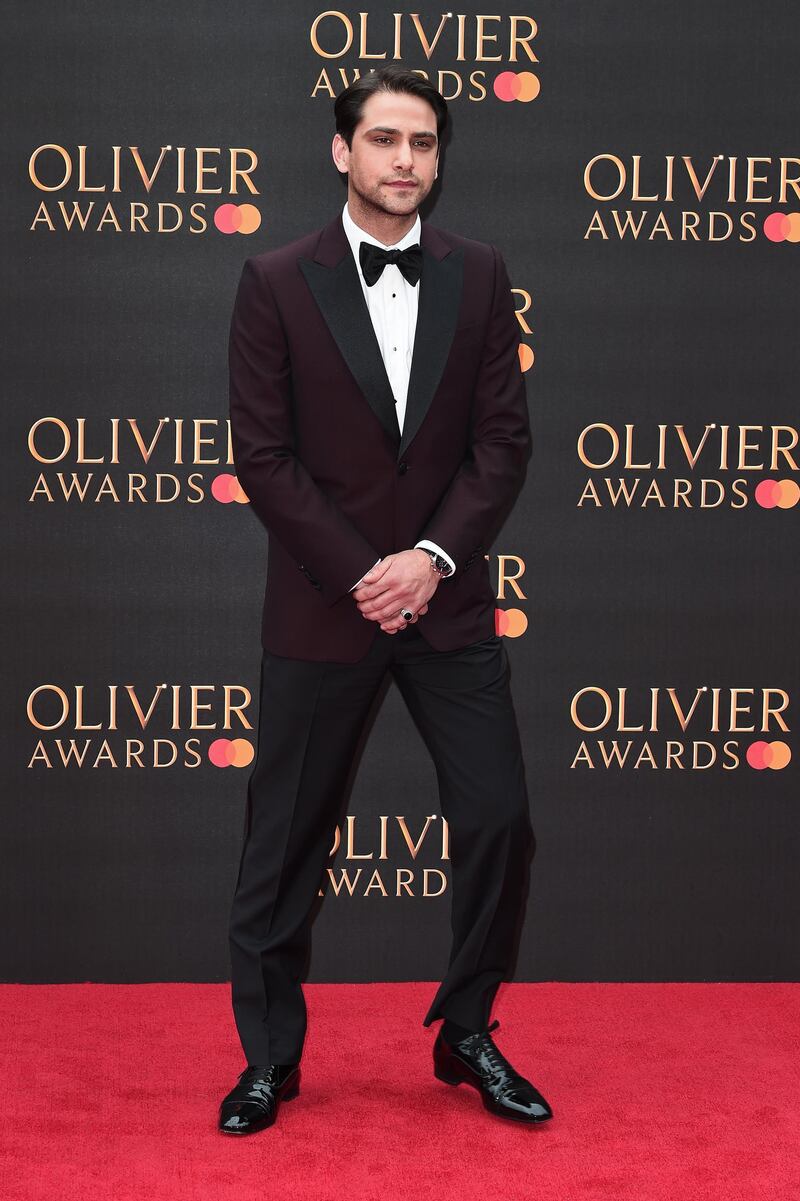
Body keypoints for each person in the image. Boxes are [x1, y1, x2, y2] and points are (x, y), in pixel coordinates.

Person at [219, 63, 552, 1134]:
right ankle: (269, 1059)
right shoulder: (273, 280)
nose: (404, 159)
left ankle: (465, 1032)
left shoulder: (481, 272)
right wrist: (367, 573)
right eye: (383, 140)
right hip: (325, 607)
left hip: (448, 608)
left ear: (438, 158)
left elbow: (502, 441)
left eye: (421, 143)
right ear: (341, 151)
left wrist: (431, 560)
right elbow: (263, 457)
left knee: (499, 817)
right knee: (285, 843)